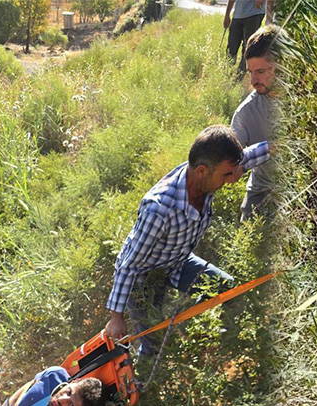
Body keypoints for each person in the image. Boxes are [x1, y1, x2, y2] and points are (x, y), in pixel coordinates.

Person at [102, 126, 270, 358]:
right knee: (155, 347)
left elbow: (246, 158)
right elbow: (129, 265)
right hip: (143, 279)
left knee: (229, 291)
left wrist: (279, 145)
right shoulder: (159, 208)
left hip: (177, 261)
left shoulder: (208, 174)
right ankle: (143, 384)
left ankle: (221, 349)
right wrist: (116, 317)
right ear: (202, 171)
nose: (233, 180)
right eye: (227, 175)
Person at [230, 25, 281, 221]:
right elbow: (233, 162)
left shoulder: (305, 97)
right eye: (250, 72)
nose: (253, 80)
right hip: (261, 191)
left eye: (260, 71)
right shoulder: (246, 112)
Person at [223, 0, 272, 72]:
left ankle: (239, 77)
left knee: (247, 47)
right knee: (231, 47)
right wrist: (227, 15)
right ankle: (226, 75)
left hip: (254, 14)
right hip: (238, 15)